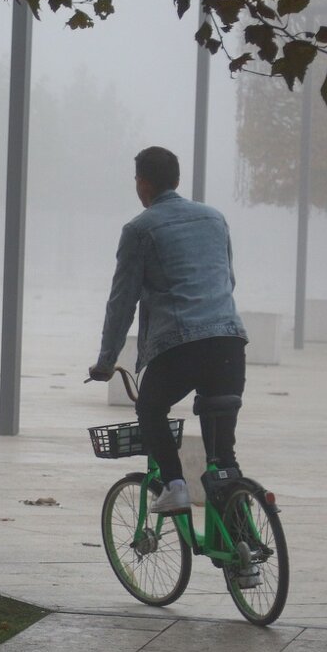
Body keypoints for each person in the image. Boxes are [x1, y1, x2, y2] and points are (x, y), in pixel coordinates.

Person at [89, 146, 248, 515]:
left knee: (150, 408)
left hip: (180, 345)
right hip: (229, 342)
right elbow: (228, 279)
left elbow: (122, 303)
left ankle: (175, 485)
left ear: (142, 183)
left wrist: (105, 361)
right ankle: (243, 551)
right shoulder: (215, 218)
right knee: (223, 457)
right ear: (176, 179)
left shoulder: (139, 229)